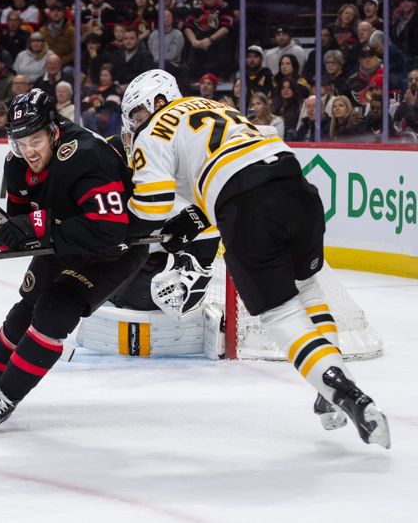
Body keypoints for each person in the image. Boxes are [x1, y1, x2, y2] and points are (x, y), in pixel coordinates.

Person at [120, 69, 390, 449]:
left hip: (248, 211)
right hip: (297, 190)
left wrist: (118, 236)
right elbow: (222, 178)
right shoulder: (218, 107)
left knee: (280, 313)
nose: (134, 125)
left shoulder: (154, 130)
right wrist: (188, 223)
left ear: (156, 102)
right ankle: (328, 390)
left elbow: (153, 205)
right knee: (308, 286)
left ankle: (345, 392)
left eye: (135, 114)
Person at [0, 89, 149, 433]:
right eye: (20, 142)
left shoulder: (87, 155)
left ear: (54, 132)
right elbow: (21, 230)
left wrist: (38, 226)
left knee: (55, 312)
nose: (28, 151)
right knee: (24, 310)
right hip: (63, 244)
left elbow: (109, 231)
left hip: (112, 253)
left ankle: (6, 397)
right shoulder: (17, 163)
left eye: (35, 140)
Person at [183, 0, 234, 79]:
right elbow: (188, 26)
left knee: (226, 41)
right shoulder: (196, 9)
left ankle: (222, 76)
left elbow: (226, 27)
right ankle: (193, 78)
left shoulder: (224, 8)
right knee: (189, 45)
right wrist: (194, 41)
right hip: (199, 41)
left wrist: (210, 39)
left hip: (216, 42)